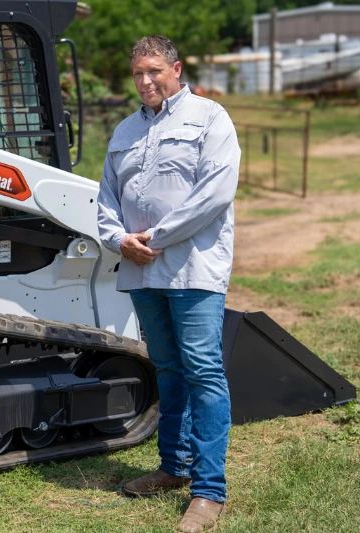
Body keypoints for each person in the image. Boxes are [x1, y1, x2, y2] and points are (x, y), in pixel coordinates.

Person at [96, 36, 240, 533]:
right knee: (167, 368)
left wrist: (151, 237)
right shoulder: (125, 129)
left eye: (154, 71)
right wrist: (119, 241)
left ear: (176, 69)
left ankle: (208, 490)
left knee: (202, 369)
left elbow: (214, 194)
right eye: (137, 73)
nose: (145, 81)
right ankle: (172, 467)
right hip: (141, 270)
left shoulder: (210, 118)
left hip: (193, 269)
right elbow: (106, 199)